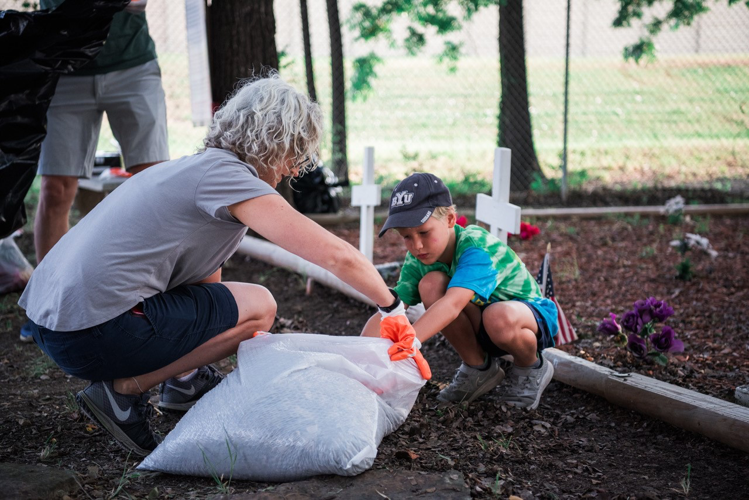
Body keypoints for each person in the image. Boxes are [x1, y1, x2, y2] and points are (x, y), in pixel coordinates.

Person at [18, 75, 411, 456]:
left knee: (236, 307)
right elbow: (335, 254)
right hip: (90, 333)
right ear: (276, 144)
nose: (293, 170)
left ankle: (184, 382)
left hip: (51, 323)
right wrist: (391, 307)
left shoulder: (194, 170)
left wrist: (201, 352)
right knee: (260, 307)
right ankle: (122, 391)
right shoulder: (230, 178)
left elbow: (203, 285)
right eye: (295, 155)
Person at [19, 0, 168, 342]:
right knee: (56, 189)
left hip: (133, 66)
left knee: (155, 183)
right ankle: (46, 307)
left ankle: (162, 298)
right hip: (66, 67)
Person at [361, 172, 558, 410]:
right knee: (431, 283)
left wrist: (408, 344)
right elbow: (391, 309)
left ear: (450, 219)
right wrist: (361, 356)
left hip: (527, 320)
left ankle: (530, 366)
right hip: (483, 326)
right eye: (407, 237)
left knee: (497, 316)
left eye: (424, 232)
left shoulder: (476, 246)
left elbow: (453, 304)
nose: (417, 245)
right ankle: (479, 368)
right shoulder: (418, 260)